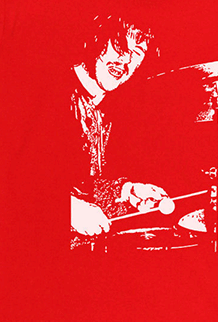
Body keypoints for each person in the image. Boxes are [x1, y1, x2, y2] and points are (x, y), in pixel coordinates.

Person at [69, 14, 170, 249]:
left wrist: (127, 192)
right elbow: (15, 180)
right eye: (120, 44)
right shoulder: (50, 92)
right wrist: (71, 209)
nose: (126, 61)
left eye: (137, 53)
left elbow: (82, 186)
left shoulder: (101, 111)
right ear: (96, 38)